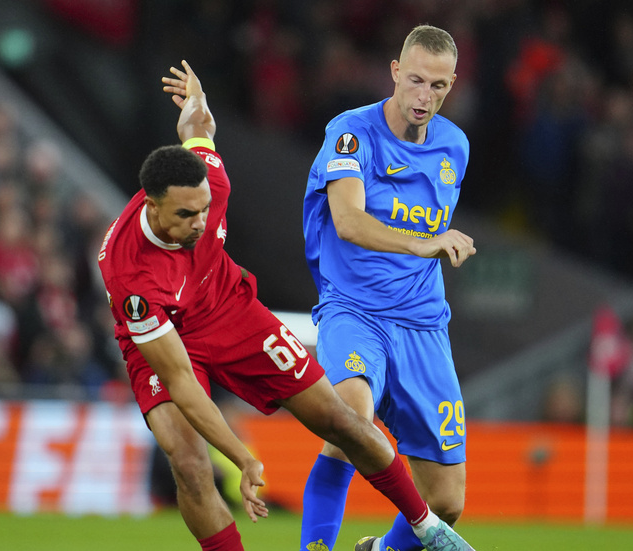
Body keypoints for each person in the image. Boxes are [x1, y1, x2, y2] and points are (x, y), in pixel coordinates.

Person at [97, 60, 475, 551]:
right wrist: (241, 457)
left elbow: (197, 129)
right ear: (150, 207)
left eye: (204, 211)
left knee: (342, 421)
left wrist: (197, 102)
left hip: (226, 306)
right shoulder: (130, 278)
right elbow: (183, 384)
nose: (199, 223)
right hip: (165, 335)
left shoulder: (211, 180)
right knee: (189, 464)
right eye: (186, 215)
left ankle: (427, 529)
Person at [301, 25, 476, 551]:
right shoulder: (352, 134)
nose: (426, 97)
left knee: (446, 501)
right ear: (396, 72)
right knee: (350, 420)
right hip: (355, 310)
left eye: (440, 87)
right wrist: (422, 243)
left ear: (452, 86)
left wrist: (431, 249)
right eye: (417, 81)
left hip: (423, 323)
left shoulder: (455, 146)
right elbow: (349, 221)